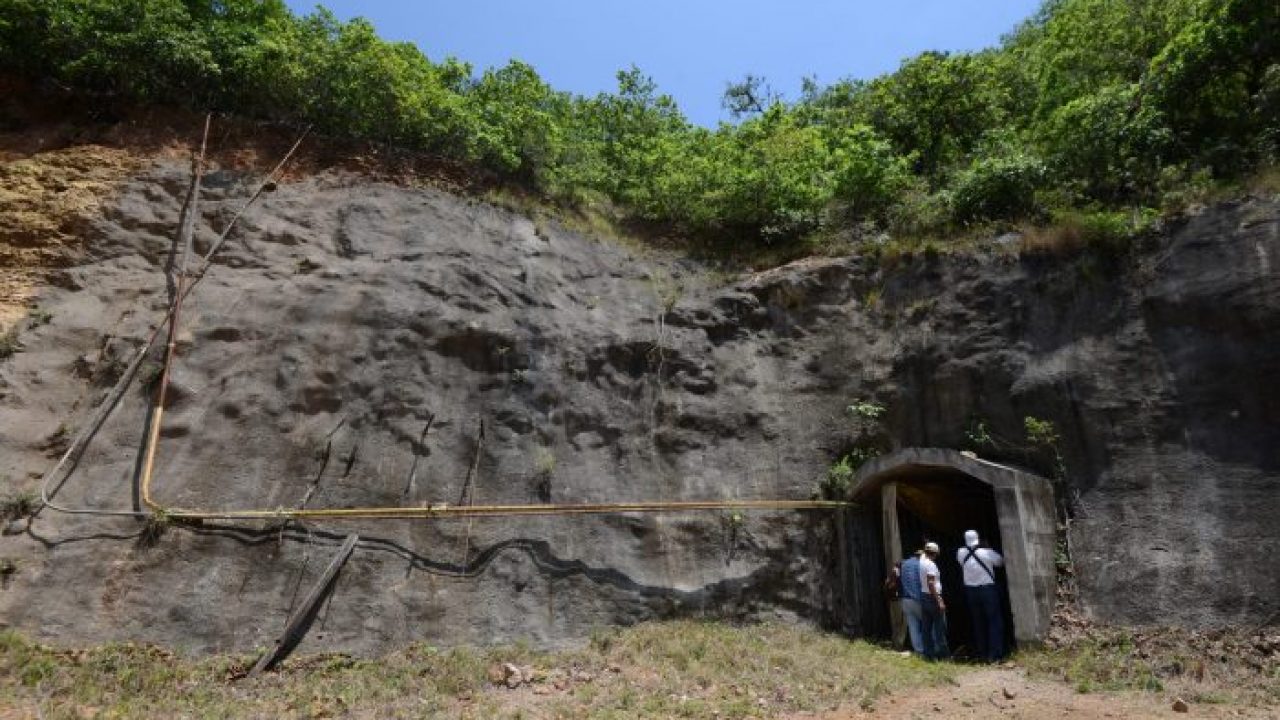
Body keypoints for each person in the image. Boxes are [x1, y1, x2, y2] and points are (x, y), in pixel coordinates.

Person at [957, 529, 1006, 662]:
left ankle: (982, 653)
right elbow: (1000, 562)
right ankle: (994, 655)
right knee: (994, 621)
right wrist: (988, 547)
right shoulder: (987, 552)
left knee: (978, 623)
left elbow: (961, 561)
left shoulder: (960, 553)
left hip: (970, 591)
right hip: (987, 590)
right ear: (978, 539)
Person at [918, 541, 949, 660]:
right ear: (936, 553)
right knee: (940, 628)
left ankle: (928, 654)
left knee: (926, 628)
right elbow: (931, 583)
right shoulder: (931, 565)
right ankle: (943, 655)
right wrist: (939, 600)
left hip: (924, 596)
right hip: (933, 597)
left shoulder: (921, 562)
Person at [898, 549, 927, 655]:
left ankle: (919, 651)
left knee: (913, 626)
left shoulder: (904, 564)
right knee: (928, 623)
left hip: (905, 599)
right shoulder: (921, 564)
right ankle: (930, 648)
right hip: (918, 599)